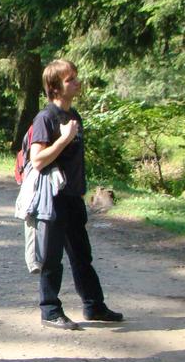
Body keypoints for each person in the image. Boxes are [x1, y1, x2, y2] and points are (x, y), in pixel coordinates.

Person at [29, 59, 124, 330]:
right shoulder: (46, 118)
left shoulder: (74, 116)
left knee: (82, 255)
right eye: (70, 79)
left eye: (75, 77)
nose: (76, 83)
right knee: (52, 258)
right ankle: (50, 310)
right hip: (53, 199)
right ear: (54, 87)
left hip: (73, 198)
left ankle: (94, 306)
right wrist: (63, 139)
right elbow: (37, 160)